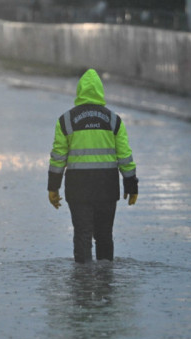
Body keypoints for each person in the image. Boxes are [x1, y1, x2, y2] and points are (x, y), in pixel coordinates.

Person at [47, 69, 138, 263]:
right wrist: (132, 186)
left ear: (79, 91)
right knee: (104, 235)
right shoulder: (114, 120)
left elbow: (58, 157)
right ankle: (106, 282)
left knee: (82, 234)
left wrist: (52, 187)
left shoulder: (66, 120)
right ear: (100, 91)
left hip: (78, 188)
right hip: (107, 187)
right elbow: (125, 157)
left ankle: (82, 283)